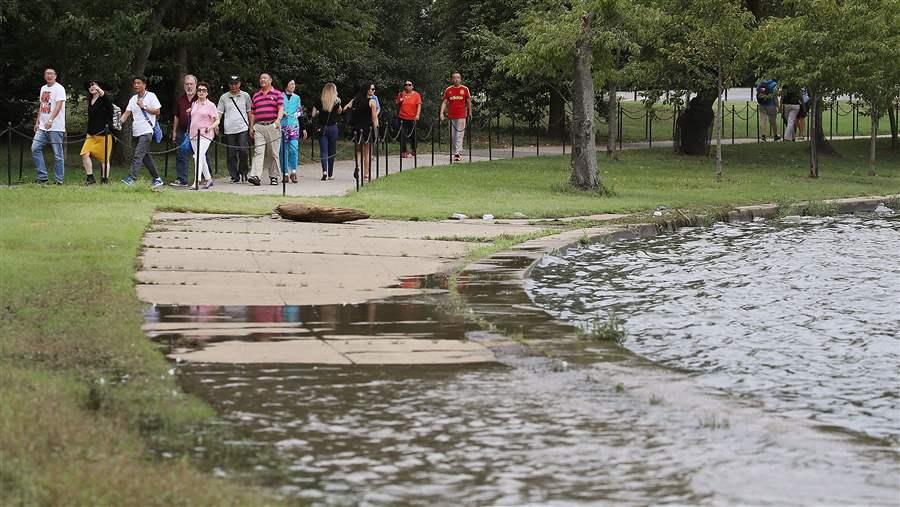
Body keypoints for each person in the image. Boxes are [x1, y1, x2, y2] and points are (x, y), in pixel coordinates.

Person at [119, 75, 164, 187]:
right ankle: (157, 179)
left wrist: (143, 107)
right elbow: (127, 113)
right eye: (135, 83)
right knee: (145, 157)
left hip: (147, 131)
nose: (136, 85)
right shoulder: (133, 99)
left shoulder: (151, 96)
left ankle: (131, 178)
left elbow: (157, 111)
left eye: (139, 83)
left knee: (138, 155)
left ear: (144, 85)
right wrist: (119, 123)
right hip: (136, 132)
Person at [248, 72, 284, 186]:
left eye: (265, 78)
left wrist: (278, 120)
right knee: (258, 152)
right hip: (259, 126)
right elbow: (253, 113)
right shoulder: (256, 95)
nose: (262, 80)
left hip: (272, 125)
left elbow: (281, 109)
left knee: (273, 153)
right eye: (261, 78)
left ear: (270, 80)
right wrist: (251, 126)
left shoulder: (277, 94)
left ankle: (274, 176)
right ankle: (255, 176)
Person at [172, 75, 208, 186]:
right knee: (181, 153)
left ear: (196, 86)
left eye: (191, 84)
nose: (189, 86)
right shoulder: (180, 100)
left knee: (201, 153)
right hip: (183, 130)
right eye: (187, 84)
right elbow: (176, 116)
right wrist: (174, 131)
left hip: (199, 131)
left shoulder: (201, 99)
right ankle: (182, 179)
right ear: (184, 86)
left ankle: (205, 176)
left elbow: (210, 114)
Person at [32, 68, 67, 184]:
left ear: (55, 76)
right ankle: (42, 177)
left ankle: (59, 180)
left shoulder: (59, 88)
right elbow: (42, 105)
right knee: (35, 148)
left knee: (58, 154)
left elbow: (58, 106)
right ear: (44, 76)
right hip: (42, 126)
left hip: (55, 127)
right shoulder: (43, 88)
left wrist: (51, 120)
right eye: (47, 74)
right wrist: (38, 122)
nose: (49, 76)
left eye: (51, 74)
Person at [217, 75, 252, 183]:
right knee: (231, 154)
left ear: (239, 84)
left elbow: (249, 111)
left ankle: (244, 172)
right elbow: (219, 113)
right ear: (229, 85)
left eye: (236, 83)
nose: (234, 86)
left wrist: (251, 126)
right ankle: (234, 175)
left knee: (243, 150)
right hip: (229, 129)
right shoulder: (224, 97)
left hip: (242, 127)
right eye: (232, 84)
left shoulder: (245, 95)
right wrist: (216, 124)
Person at [79, 80, 114, 185]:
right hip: (91, 134)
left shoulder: (104, 99)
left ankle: (104, 180)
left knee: (104, 159)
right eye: (89, 86)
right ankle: (90, 178)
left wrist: (99, 89)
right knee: (84, 154)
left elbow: (108, 104)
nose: (92, 87)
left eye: (94, 85)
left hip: (104, 134)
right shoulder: (90, 100)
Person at [188, 82, 220, 189]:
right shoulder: (194, 104)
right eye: (199, 90)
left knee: (197, 156)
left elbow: (217, 120)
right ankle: (209, 179)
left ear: (207, 93)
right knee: (200, 156)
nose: (201, 92)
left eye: (204, 90)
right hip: (193, 134)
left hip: (205, 134)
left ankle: (197, 181)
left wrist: (209, 128)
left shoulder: (211, 105)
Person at [345, 83, 379, 180]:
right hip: (367, 128)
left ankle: (357, 166)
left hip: (357, 128)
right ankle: (366, 174)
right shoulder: (372, 102)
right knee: (367, 152)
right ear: (367, 90)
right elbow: (374, 117)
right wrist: (376, 128)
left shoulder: (356, 100)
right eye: (372, 89)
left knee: (358, 150)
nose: (373, 91)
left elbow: (345, 108)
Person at [311, 82, 343, 181]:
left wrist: (318, 112)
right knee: (332, 151)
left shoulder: (319, 100)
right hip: (333, 128)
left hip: (322, 128)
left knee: (323, 151)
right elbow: (339, 111)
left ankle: (324, 171)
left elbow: (313, 114)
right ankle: (330, 174)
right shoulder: (337, 101)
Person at [440, 72, 472, 161]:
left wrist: (470, 112)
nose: (456, 79)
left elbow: (469, 102)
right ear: (452, 79)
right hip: (451, 116)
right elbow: (445, 102)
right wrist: (441, 113)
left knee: (459, 135)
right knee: (453, 135)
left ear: (460, 79)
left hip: (461, 115)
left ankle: (457, 153)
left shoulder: (465, 89)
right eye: (454, 78)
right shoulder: (448, 90)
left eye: (458, 78)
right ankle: (455, 151)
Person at [280, 79, 307, 183]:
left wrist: (304, 128)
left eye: (294, 84)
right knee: (283, 150)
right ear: (286, 85)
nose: (293, 86)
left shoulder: (297, 98)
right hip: (283, 127)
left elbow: (300, 113)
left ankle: (294, 171)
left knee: (294, 148)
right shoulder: (280, 96)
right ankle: (285, 173)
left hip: (294, 127)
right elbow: (276, 109)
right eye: (291, 84)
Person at [396, 80, 422, 158]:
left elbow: (419, 105)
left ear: (412, 86)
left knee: (413, 135)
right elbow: (397, 103)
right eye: (406, 85)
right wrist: (400, 101)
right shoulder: (401, 94)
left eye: (409, 85)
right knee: (402, 135)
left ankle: (413, 150)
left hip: (412, 118)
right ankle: (403, 151)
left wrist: (417, 115)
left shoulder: (416, 95)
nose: (407, 86)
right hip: (402, 117)